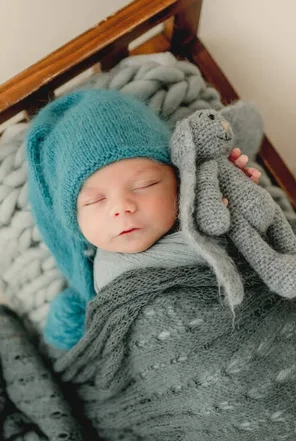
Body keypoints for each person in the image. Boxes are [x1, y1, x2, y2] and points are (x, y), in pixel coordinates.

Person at [26, 88, 260, 350]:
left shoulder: (201, 206)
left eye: (144, 184)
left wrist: (237, 199)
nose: (122, 207)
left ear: (179, 179)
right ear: (73, 221)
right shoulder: (104, 278)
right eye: (95, 200)